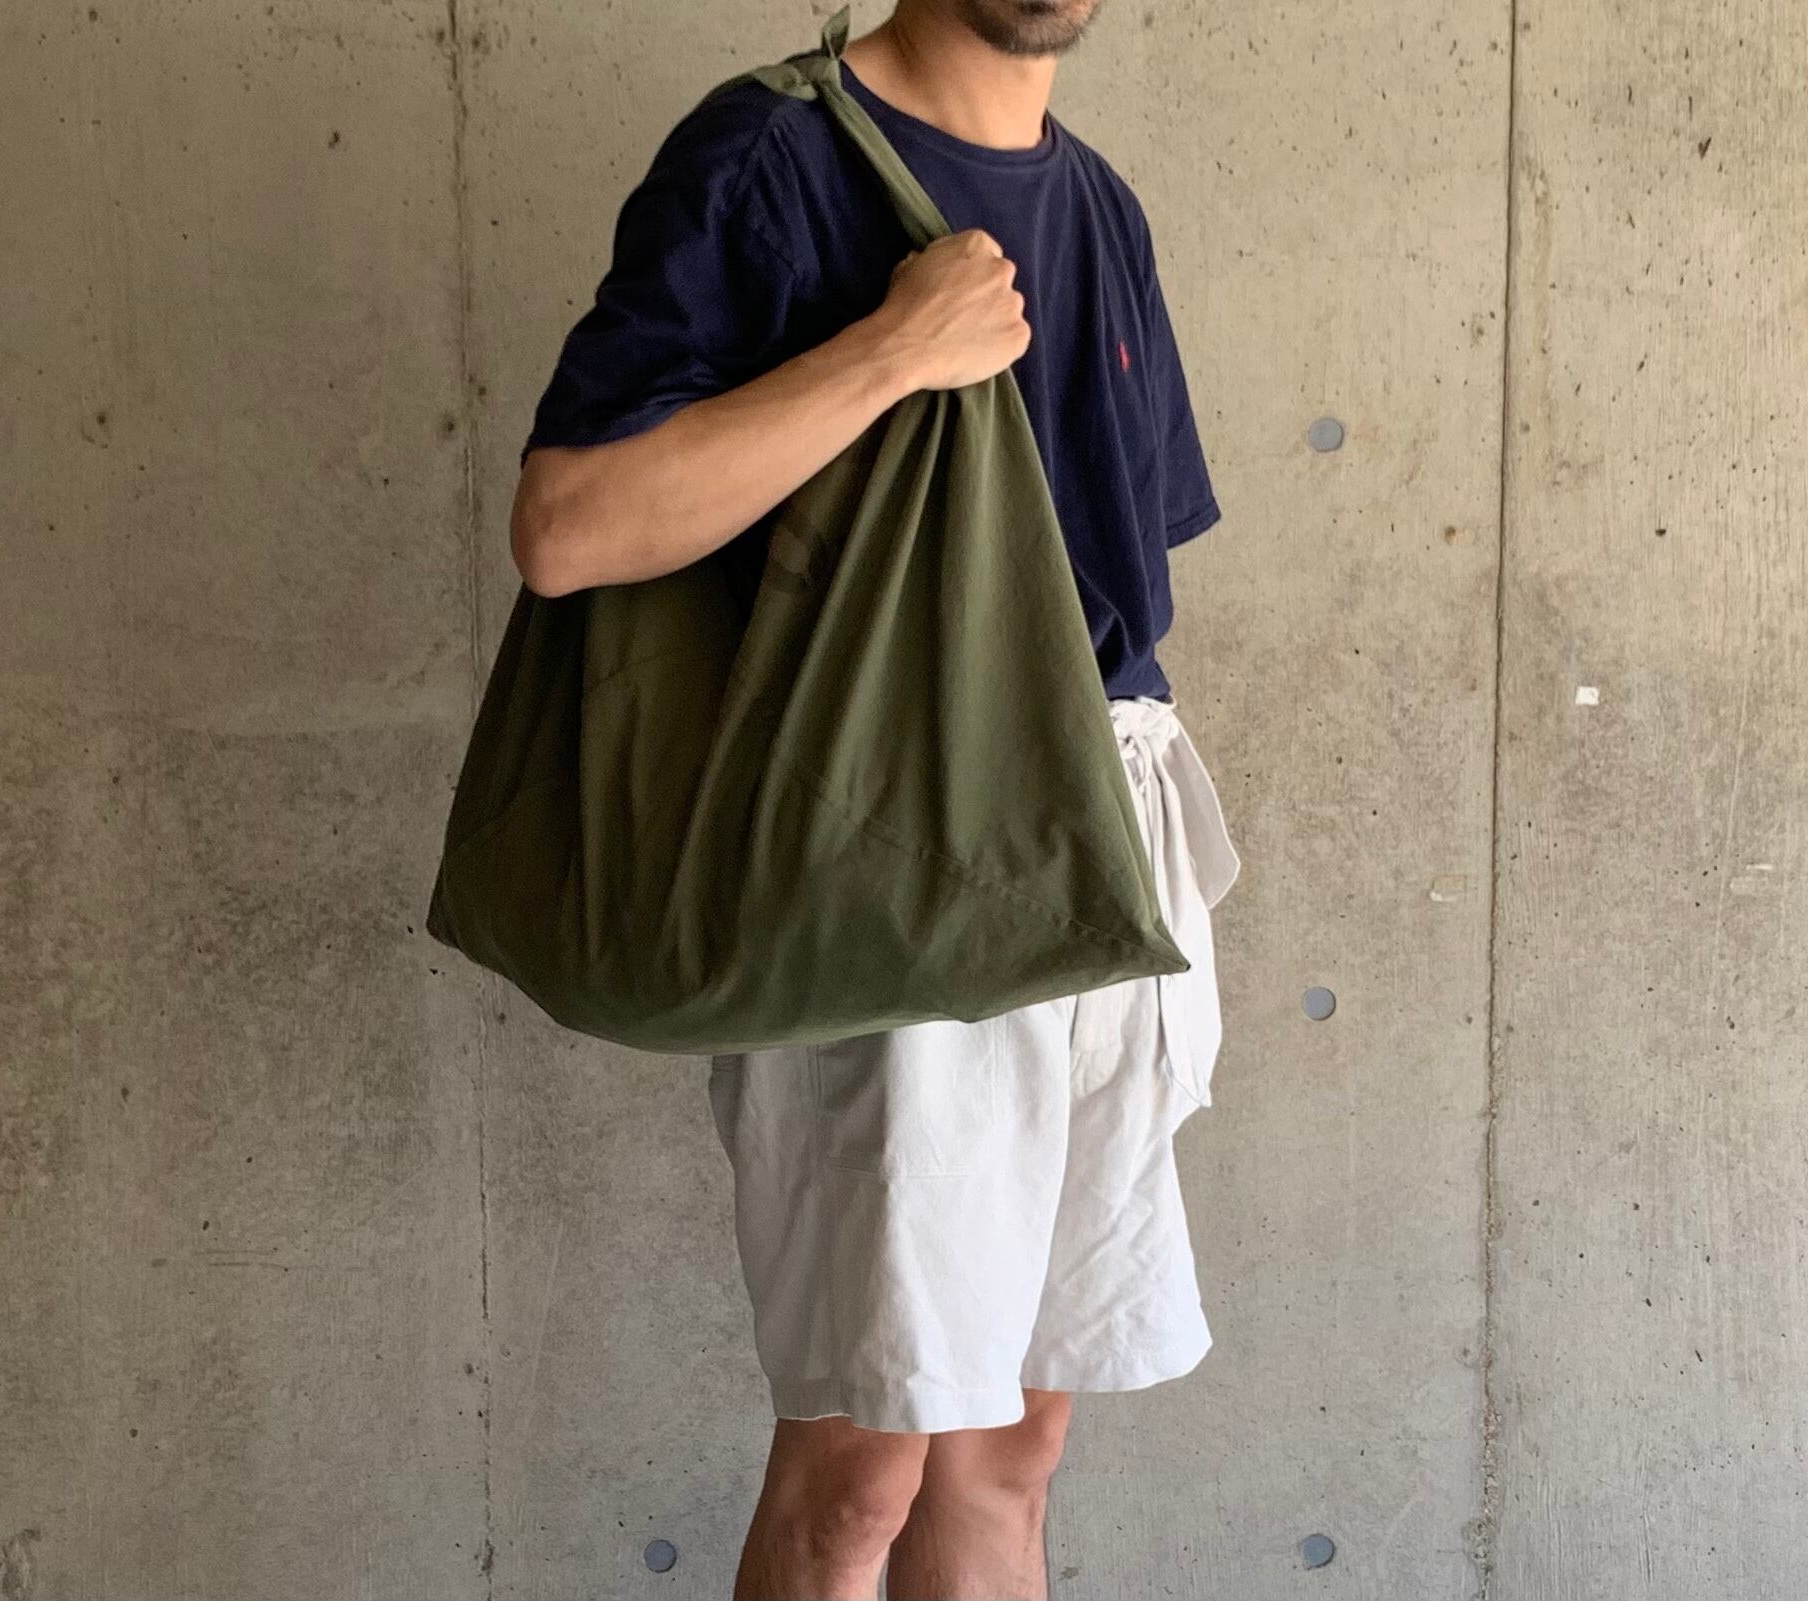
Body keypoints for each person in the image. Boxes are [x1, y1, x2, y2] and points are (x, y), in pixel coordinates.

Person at [508, 2, 1239, 1596]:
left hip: (1102, 838)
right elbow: (567, 525)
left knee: (1014, 1448)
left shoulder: (1100, 206)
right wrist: (892, 352)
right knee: (861, 1470)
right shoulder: (772, 158)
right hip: (891, 839)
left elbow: (1120, 577)